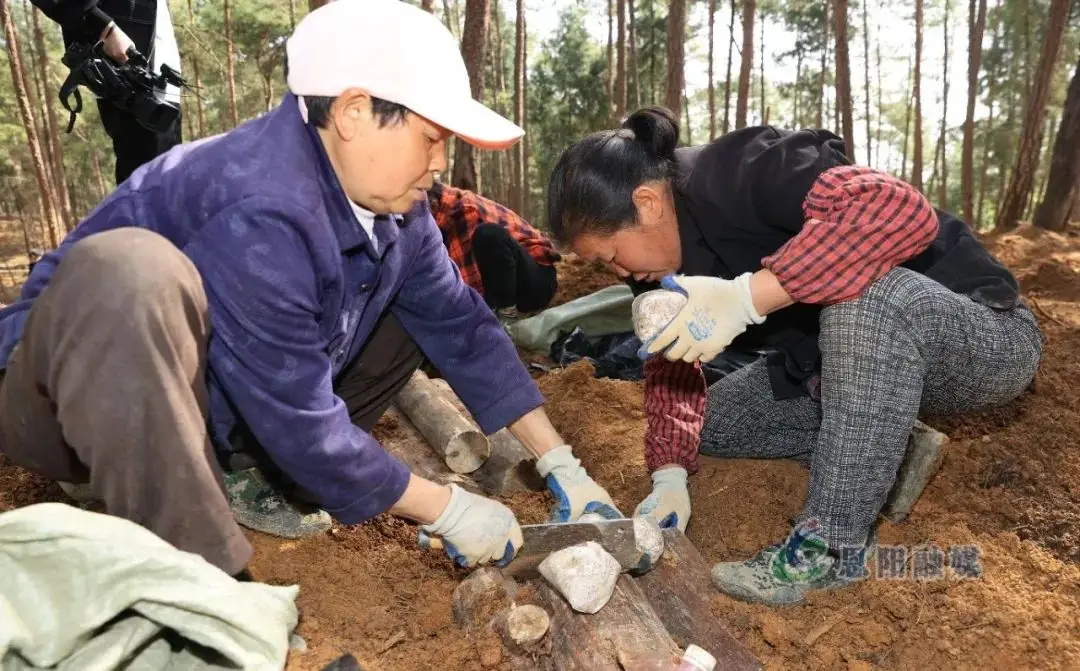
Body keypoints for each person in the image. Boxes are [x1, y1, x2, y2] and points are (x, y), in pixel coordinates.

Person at [0, 0, 619, 580]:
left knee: (422, 306)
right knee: (137, 276)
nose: (439, 165)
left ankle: (243, 465)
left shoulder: (398, 210)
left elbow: (463, 330)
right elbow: (298, 413)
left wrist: (563, 462)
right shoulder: (257, 204)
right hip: (58, 406)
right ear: (353, 113)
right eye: (431, 139)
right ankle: (194, 575)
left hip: (217, 390)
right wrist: (444, 508)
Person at [546, 106, 1042, 605]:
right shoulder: (652, 277)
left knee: (865, 295)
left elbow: (899, 212)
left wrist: (750, 296)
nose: (616, 271)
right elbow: (671, 367)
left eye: (610, 256)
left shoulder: (740, 169)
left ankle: (827, 548)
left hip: (978, 335)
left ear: (648, 202)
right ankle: (886, 445)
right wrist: (670, 473)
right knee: (710, 427)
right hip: (833, 367)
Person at [30, 0, 183, 184]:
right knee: (149, 187)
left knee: (168, 179)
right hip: (125, 67)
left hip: (156, 58)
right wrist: (104, 27)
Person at [428, 181, 560, 314]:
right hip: (503, 284)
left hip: (536, 281)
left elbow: (471, 279)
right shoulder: (439, 221)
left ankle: (506, 315)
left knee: (488, 235)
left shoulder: (462, 210)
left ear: (432, 204)